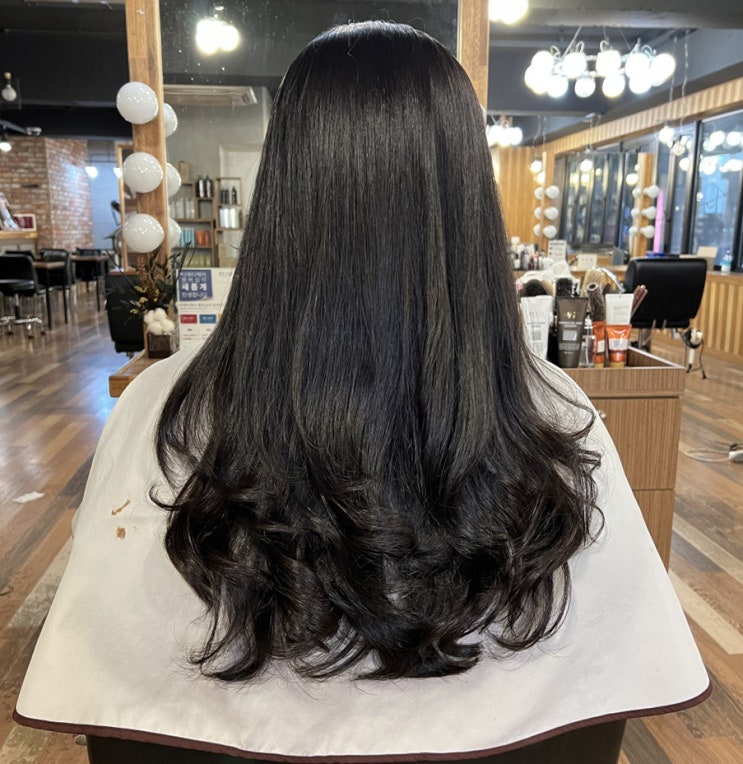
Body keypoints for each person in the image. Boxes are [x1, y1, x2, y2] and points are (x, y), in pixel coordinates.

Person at [16, 20, 708, 764]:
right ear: (468, 194)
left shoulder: (162, 405)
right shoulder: (554, 406)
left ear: (283, 188)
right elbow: (592, 714)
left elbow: (121, 715)